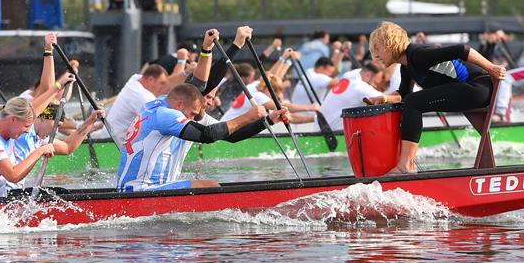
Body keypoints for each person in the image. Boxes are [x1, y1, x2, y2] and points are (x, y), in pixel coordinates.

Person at [367, 20, 505, 174]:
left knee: (413, 103)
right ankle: (406, 164)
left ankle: (405, 166)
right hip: (468, 89)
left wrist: (492, 68)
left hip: (477, 88)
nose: (375, 55)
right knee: (410, 101)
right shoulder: (407, 66)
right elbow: (404, 94)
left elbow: (463, 49)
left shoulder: (418, 54)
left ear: (390, 44)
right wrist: (383, 99)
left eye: (377, 48)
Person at [117, 83, 290, 192]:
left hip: (136, 189)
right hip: (142, 190)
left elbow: (232, 136)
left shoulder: (157, 103)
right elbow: (207, 135)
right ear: (179, 104)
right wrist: (248, 116)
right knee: (211, 187)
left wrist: (268, 120)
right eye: (192, 114)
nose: (192, 119)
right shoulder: (166, 115)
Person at [318, 62, 393, 131]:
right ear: (368, 75)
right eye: (375, 84)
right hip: (331, 136)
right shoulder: (360, 87)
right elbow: (389, 101)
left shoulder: (349, 78)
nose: (376, 89)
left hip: (319, 131)